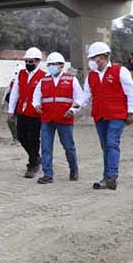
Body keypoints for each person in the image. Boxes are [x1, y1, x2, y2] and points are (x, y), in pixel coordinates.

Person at [81, 41, 133, 191]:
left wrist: (130, 112)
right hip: (100, 115)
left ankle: (111, 176)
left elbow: (131, 92)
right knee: (105, 146)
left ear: (103, 57)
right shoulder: (91, 76)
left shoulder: (120, 71)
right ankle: (106, 176)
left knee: (112, 142)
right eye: (91, 58)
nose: (91, 62)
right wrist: (75, 106)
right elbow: (85, 95)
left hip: (117, 114)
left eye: (94, 58)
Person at [31, 52, 85, 184]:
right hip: (47, 118)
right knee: (46, 147)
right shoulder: (44, 80)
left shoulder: (71, 79)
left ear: (61, 66)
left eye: (53, 64)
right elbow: (36, 95)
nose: (51, 67)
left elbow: (80, 98)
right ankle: (47, 174)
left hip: (64, 118)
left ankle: (74, 169)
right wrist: (36, 104)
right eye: (49, 65)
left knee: (68, 146)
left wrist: (72, 110)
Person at [7, 47, 45, 179]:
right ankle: (36, 157)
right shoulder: (21, 74)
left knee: (34, 139)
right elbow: (15, 93)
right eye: (27, 61)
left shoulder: (43, 76)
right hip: (22, 111)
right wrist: (11, 110)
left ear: (38, 61)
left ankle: (33, 164)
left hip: (35, 113)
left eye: (31, 61)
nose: (28, 64)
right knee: (21, 137)